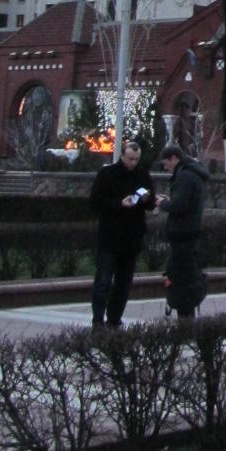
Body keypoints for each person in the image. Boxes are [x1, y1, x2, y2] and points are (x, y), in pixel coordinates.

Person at [90, 136, 155, 329]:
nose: (133, 163)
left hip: (132, 237)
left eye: (136, 159)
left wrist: (146, 201)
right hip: (110, 237)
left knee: (124, 283)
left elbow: (150, 202)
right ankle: (98, 320)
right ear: (122, 156)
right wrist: (119, 204)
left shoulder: (143, 175)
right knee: (103, 281)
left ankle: (114, 319)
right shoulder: (107, 174)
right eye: (130, 159)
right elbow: (95, 202)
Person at [155, 143, 210, 318]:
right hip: (189, 231)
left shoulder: (185, 176)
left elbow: (180, 206)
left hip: (182, 233)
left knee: (181, 277)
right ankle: (186, 316)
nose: (165, 168)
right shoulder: (193, 174)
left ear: (174, 159)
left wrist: (163, 203)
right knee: (185, 274)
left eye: (166, 163)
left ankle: (185, 318)